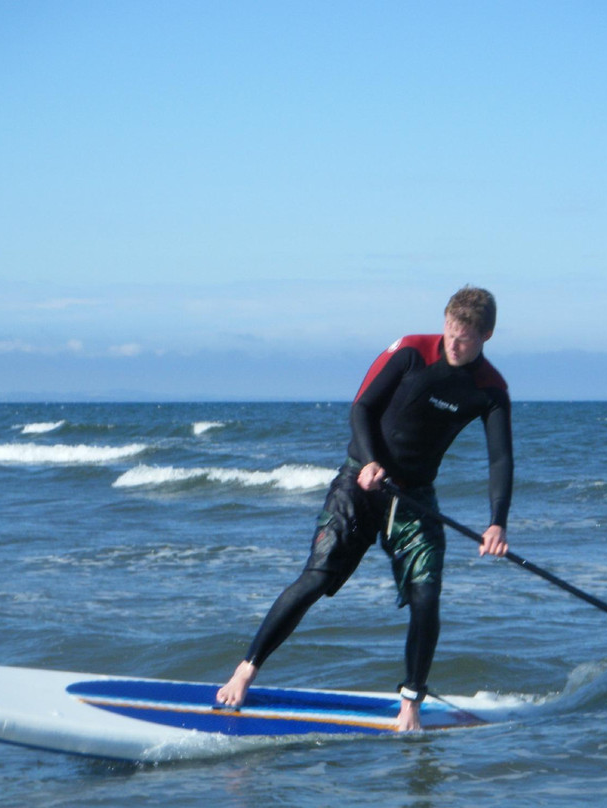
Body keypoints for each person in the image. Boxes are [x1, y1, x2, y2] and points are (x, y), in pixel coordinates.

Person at [216, 285, 513, 731]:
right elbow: (362, 407)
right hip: (359, 482)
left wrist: (497, 523)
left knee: (426, 598)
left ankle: (410, 703)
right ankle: (246, 669)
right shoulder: (411, 352)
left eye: (466, 336)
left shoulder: (489, 388)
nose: (454, 342)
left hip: (413, 499)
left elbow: (500, 458)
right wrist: (372, 461)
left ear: (486, 336)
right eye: (451, 329)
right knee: (316, 579)